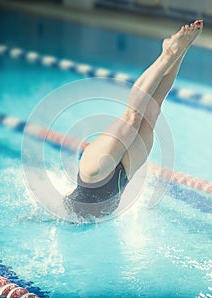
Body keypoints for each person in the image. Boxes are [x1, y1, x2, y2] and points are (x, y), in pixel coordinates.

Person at [64, 20, 203, 219]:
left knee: (132, 117)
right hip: (122, 179)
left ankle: (168, 55)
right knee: (152, 111)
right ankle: (181, 50)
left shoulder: (57, 214)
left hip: (93, 175)